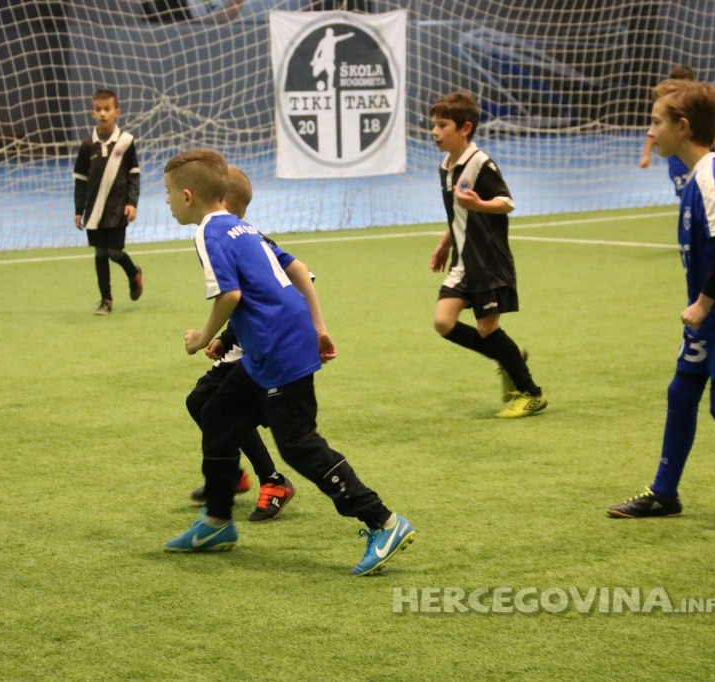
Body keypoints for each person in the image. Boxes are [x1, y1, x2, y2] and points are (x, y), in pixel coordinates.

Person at [162, 149, 414, 575]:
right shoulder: (244, 227)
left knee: (298, 444)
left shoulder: (209, 232)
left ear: (188, 196)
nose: (167, 201)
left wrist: (201, 337)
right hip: (273, 344)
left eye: (168, 194)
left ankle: (383, 522)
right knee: (217, 415)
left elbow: (230, 295)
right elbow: (297, 268)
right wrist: (318, 325)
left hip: (278, 347)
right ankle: (218, 522)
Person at [608, 80, 715, 523]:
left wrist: (703, 305)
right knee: (681, 392)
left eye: (656, 122)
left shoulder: (709, 176)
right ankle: (665, 493)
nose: (651, 131)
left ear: (682, 127)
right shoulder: (695, 176)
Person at [185, 165, 297, 523]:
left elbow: (294, 279)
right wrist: (226, 338)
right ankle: (231, 475)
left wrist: (214, 337)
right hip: (247, 345)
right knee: (203, 403)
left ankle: (271, 480)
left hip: (267, 350)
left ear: (223, 200)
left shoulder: (246, 237)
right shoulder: (235, 235)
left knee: (296, 438)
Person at [427, 90, 546, 418]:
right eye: (433, 125)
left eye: (442, 125)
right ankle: (509, 358)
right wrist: (445, 242)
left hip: (488, 262)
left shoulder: (480, 163)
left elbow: (507, 203)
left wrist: (480, 203)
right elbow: (458, 213)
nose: (434, 132)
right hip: (464, 263)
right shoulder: (446, 166)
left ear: (464, 128)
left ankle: (531, 393)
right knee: (443, 322)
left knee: (486, 328)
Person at [73, 88, 143, 315]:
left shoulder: (125, 142)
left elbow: (133, 174)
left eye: (107, 109)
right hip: (93, 210)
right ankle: (106, 300)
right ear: (92, 113)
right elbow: (81, 181)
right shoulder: (86, 146)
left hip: (117, 208)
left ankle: (134, 273)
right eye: (98, 110)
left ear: (117, 112)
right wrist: (78, 210)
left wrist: (132, 202)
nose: (102, 113)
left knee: (114, 252)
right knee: (100, 254)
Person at [639, 65, 715, 198]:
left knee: (700, 193)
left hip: (697, 158)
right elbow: (655, 132)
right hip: (678, 160)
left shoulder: (697, 108)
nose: (651, 132)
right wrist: (646, 155)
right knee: (689, 197)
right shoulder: (669, 108)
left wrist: (710, 142)